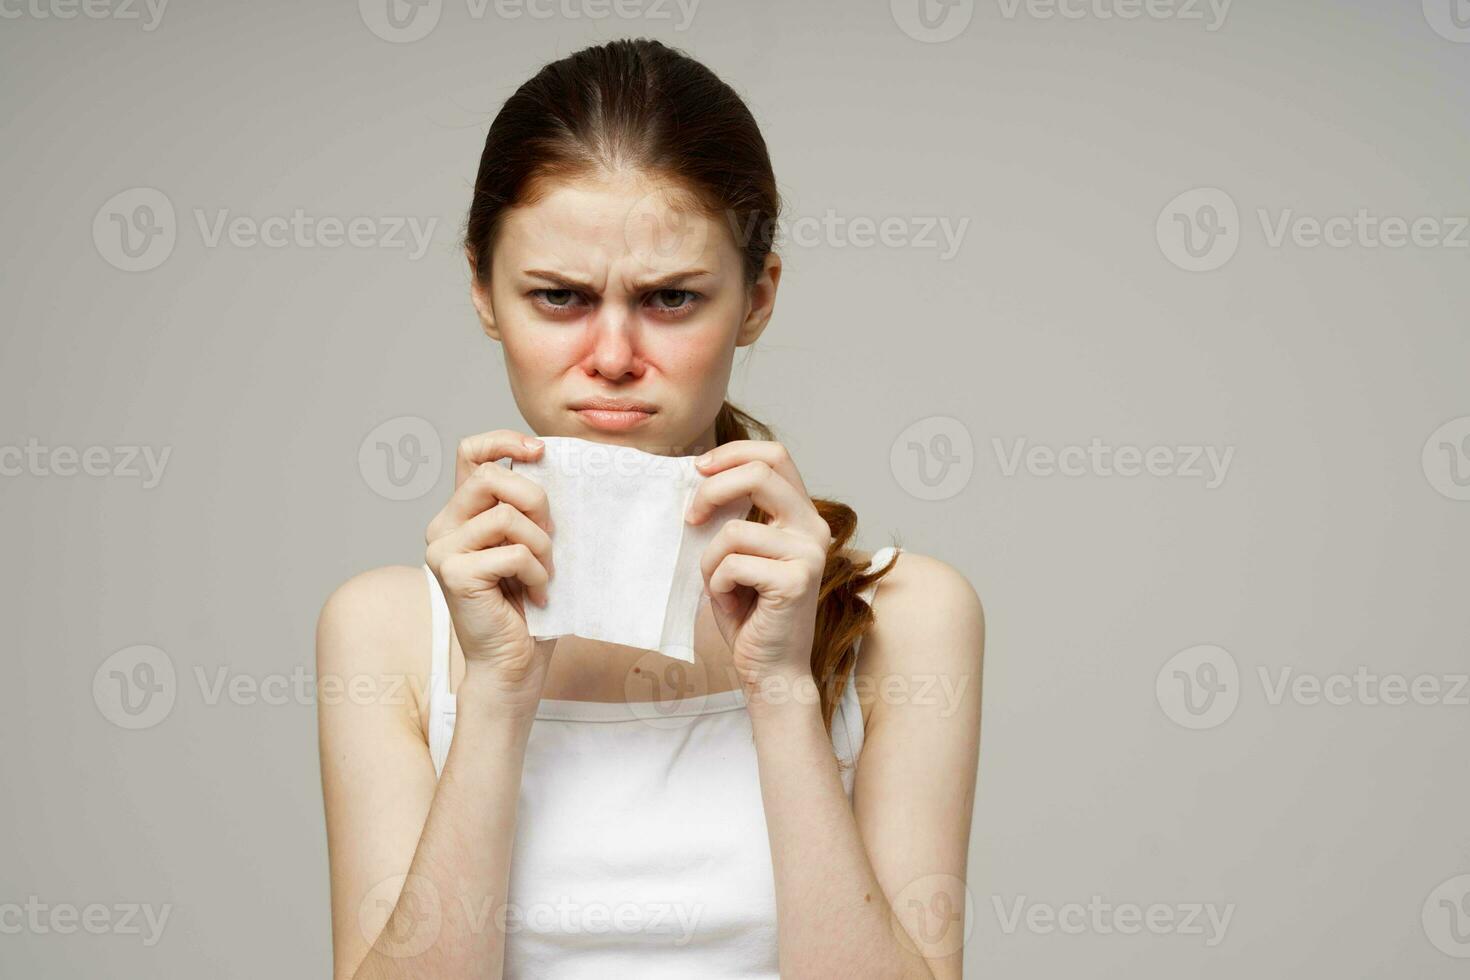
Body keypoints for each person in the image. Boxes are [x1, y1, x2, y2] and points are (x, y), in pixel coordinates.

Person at [315, 37, 985, 980]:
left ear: (757, 299)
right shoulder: (384, 630)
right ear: (483, 292)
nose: (616, 356)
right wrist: (498, 696)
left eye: (672, 297)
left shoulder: (908, 619)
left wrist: (783, 691)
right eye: (559, 297)